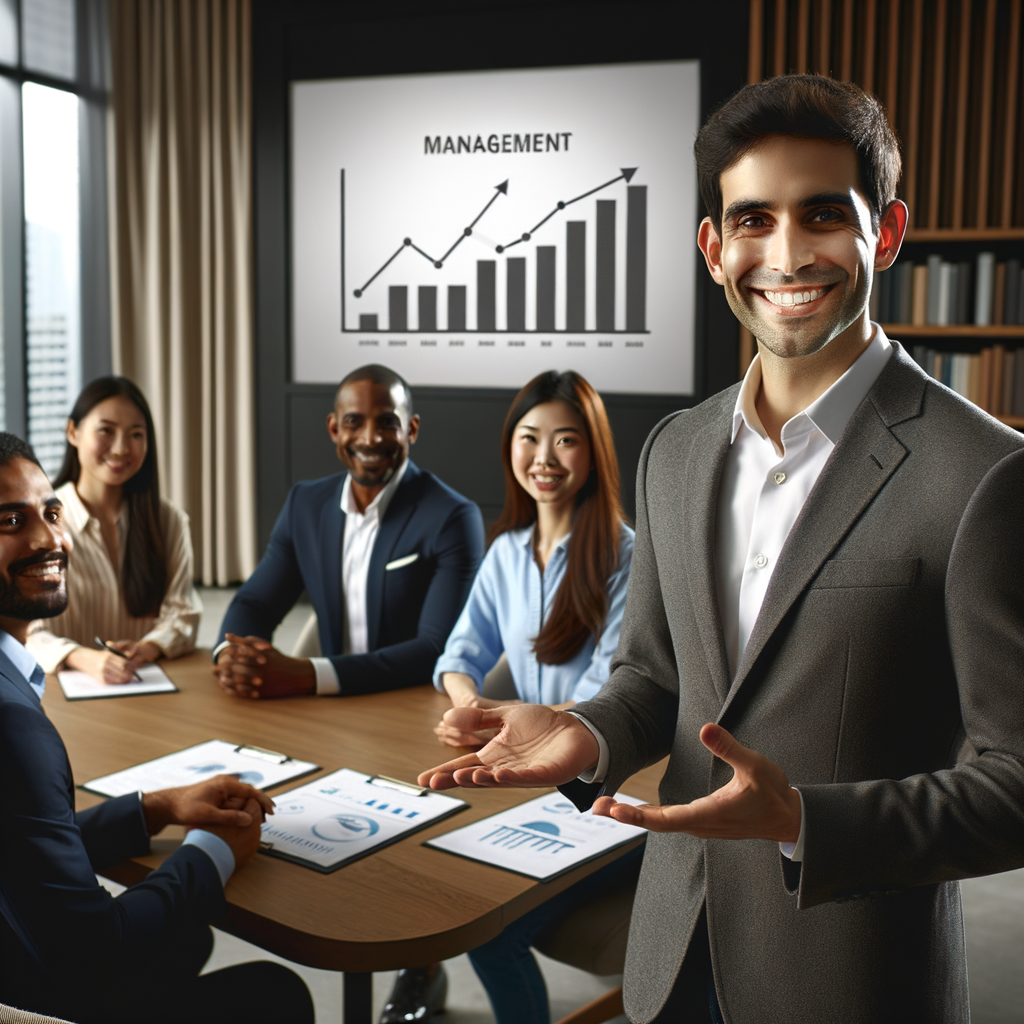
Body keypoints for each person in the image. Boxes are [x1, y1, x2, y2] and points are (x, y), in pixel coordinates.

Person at [418, 75, 1024, 1024]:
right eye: (753, 219)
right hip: (672, 954)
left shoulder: (984, 473)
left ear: (889, 233)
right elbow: (656, 681)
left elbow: (1017, 783)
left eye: (824, 214)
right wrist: (590, 733)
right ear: (714, 247)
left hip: (850, 979)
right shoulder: (674, 451)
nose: (786, 254)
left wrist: (805, 823)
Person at [0, 432, 314, 1024]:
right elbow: (96, 950)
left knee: (187, 938)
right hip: (36, 997)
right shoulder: (13, 725)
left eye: (49, 512)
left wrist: (158, 807)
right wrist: (213, 851)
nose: (48, 539)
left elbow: (27, 848)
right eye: (11, 520)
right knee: (277, 993)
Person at [425, 370, 635, 1024]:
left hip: (611, 791)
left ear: (594, 453)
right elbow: (458, 656)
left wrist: (510, 722)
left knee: (489, 928)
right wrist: (469, 704)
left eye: (565, 440)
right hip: (533, 783)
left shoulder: (626, 557)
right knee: (427, 869)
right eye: (529, 438)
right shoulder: (507, 552)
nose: (543, 459)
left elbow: (614, 696)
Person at [213, 363, 484, 699]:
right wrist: (231, 655)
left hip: (410, 704)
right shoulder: (305, 505)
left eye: (388, 422)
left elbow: (434, 648)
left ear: (411, 430)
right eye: (354, 421)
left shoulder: (453, 517)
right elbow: (256, 603)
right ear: (333, 429)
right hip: (329, 709)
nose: (370, 438)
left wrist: (307, 674)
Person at [27, 376, 201, 683]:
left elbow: (184, 613)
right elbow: (23, 630)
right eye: (106, 431)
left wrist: (147, 648)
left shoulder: (168, 520)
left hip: (147, 686)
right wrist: (83, 658)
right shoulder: (38, 524)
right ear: (73, 432)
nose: (121, 449)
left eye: (136, 434)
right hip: (62, 694)